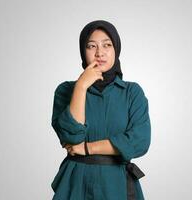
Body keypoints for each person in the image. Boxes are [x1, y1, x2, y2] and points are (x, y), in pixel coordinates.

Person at [50, 20, 151, 200]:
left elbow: (140, 141)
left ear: (116, 50)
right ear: (83, 51)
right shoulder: (66, 90)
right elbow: (71, 137)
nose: (99, 53)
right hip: (75, 182)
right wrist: (81, 86)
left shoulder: (132, 92)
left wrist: (87, 148)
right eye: (91, 46)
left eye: (107, 45)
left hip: (117, 184)